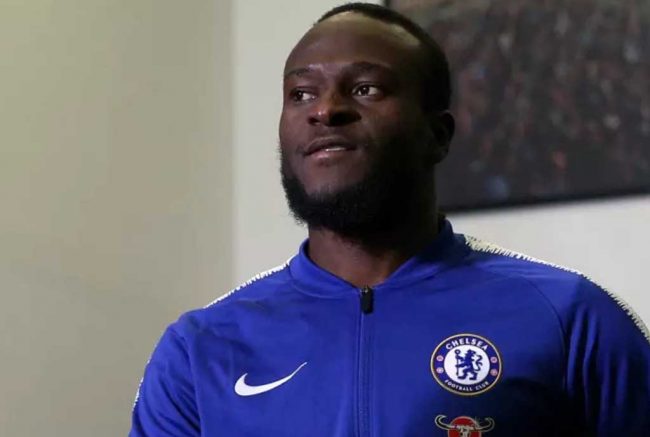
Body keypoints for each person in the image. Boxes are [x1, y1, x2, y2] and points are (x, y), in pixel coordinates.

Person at [130, 3, 650, 436]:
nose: (324, 110)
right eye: (301, 93)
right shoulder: (200, 349)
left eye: (366, 89)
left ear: (437, 136)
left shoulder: (572, 319)